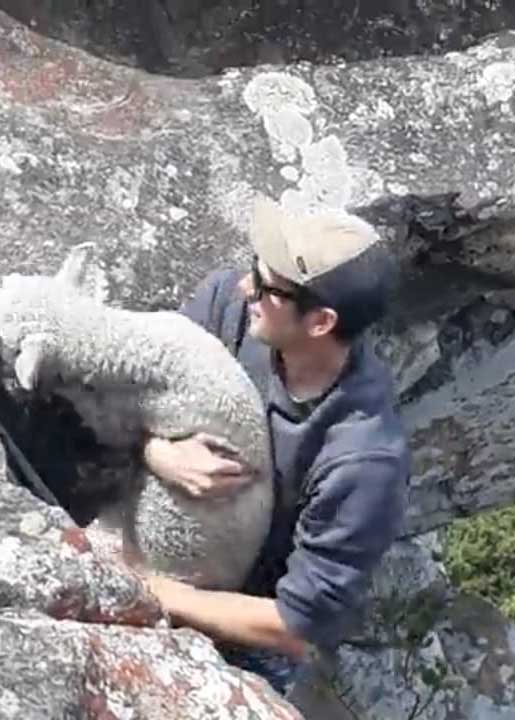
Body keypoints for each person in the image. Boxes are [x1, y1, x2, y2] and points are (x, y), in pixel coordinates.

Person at [138, 195, 411, 696]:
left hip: (244, 617)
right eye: (254, 269)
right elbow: (134, 387)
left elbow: (295, 625)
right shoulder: (231, 308)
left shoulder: (364, 459)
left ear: (320, 322)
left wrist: (158, 593)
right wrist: (156, 451)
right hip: (153, 527)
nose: (247, 287)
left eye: (267, 286)